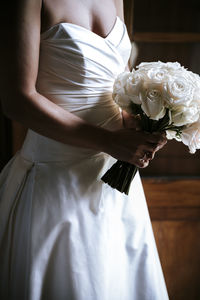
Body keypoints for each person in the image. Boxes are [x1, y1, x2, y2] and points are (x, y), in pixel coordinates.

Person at [0, 0, 169, 299]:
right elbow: (17, 99)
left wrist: (138, 123)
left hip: (115, 179)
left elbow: (120, 81)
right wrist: (107, 141)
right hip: (55, 180)